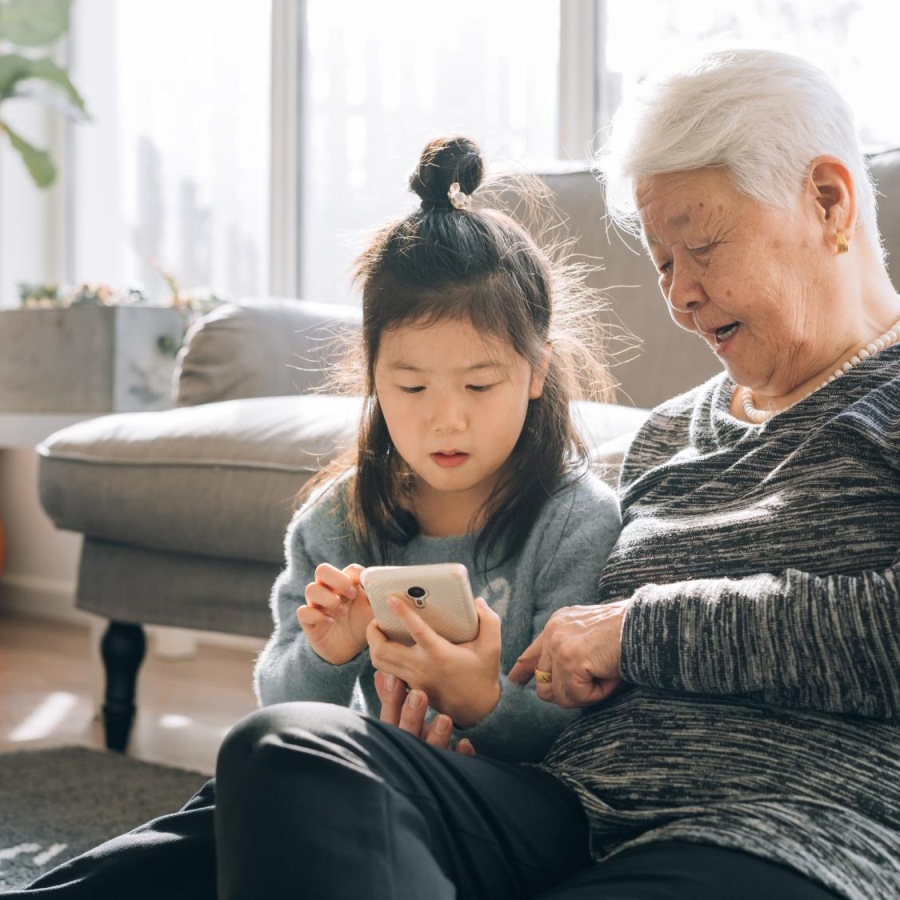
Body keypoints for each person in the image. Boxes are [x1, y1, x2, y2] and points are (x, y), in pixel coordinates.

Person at [210, 48, 900, 900]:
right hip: (559, 812)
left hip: (784, 832)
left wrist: (637, 630)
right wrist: (454, 735)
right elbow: (560, 695)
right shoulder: (668, 433)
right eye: (662, 261)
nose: (679, 295)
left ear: (828, 200)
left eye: (702, 246)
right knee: (282, 750)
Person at [8, 136, 621, 896]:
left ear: (536, 372)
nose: (446, 420)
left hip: (512, 821)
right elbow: (283, 708)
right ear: (373, 376)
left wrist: (483, 703)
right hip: (367, 790)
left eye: (478, 386)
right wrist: (328, 655)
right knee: (235, 798)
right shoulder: (341, 518)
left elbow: (592, 740)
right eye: (411, 387)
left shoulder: (576, 522)